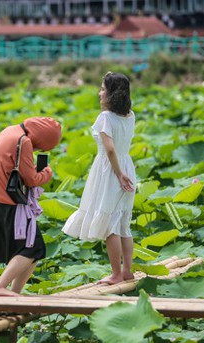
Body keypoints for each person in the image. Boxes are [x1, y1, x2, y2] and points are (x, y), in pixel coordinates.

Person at [62, 72, 136, 285]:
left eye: (103, 89)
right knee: (123, 222)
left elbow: (110, 149)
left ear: (112, 93)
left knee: (110, 224)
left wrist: (118, 173)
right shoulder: (130, 115)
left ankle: (115, 274)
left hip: (111, 170)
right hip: (127, 166)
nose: (99, 93)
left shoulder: (104, 118)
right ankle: (127, 270)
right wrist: (124, 172)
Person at [0, 117, 62, 297]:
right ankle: (0, 287)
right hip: (13, 203)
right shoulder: (24, 141)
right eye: (42, 146)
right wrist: (47, 173)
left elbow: (12, 167)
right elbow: (31, 180)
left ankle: (14, 293)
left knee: (33, 252)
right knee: (33, 249)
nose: (38, 149)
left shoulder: (9, 131)